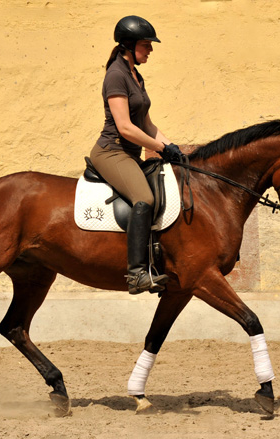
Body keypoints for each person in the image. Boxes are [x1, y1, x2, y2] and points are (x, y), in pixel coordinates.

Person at [89, 15, 183, 295]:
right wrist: (161, 149)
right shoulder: (116, 75)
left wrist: (172, 147)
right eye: (146, 44)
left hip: (129, 154)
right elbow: (126, 128)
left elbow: (147, 125)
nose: (151, 50)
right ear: (129, 45)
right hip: (111, 151)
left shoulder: (135, 75)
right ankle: (137, 274)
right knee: (145, 198)